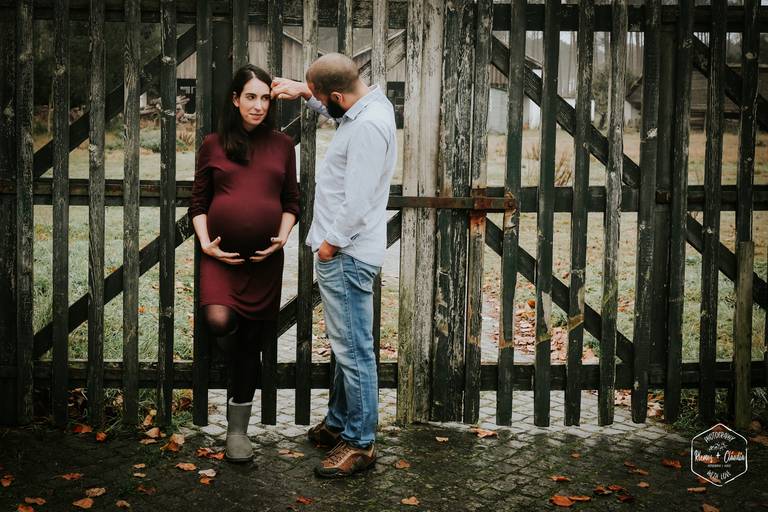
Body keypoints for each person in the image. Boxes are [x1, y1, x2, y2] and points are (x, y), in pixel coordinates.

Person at [271, 53, 397, 478]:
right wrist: (305, 92)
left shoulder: (367, 127)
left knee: (354, 350)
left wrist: (329, 245)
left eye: (326, 99)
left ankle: (360, 443)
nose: (325, 106)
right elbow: (340, 108)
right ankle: (340, 424)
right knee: (347, 348)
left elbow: (357, 202)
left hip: (346, 253)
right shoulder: (371, 104)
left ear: (339, 96)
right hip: (347, 252)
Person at [188, 64, 300, 463]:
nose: (258, 105)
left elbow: (292, 202)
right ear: (235, 99)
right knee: (219, 320)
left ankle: (237, 431)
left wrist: (282, 237)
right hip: (220, 260)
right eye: (250, 97)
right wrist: (207, 245)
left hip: (264, 262)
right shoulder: (213, 144)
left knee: (252, 342)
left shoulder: (282, 145)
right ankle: (239, 362)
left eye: (265, 98)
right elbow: (198, 203)